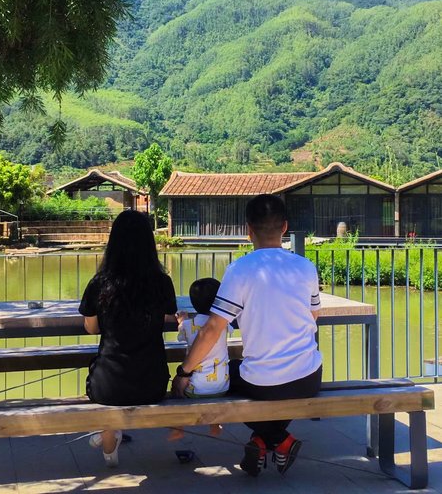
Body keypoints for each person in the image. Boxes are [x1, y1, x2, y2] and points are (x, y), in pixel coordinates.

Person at [172, 194, 322, 477]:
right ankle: (265, 441)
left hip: (263, 384)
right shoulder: (305, 266)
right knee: (277, 382)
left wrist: (184, 371)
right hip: (308, 378)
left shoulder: (239, 269)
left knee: (228, 377)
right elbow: (313, 316)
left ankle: (275, 440)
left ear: (248, 230)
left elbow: (212, 329)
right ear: (285, 227)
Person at [79, 210, 177, 467]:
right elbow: (169, 317)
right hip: (153, 384)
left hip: (107, 386)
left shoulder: (100, 283)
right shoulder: (162, 282)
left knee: (102, 375)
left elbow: (91, 329)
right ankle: (109, 435)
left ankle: (109, 440)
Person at [169, 277, 232, 440]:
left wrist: (182, 321)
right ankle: (215, 425)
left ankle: (178, 428)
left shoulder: (188, 325)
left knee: (176, 390)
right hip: (222, 386)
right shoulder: (224, 325)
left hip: (195, 388)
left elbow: (181, 336)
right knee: (213, 394)